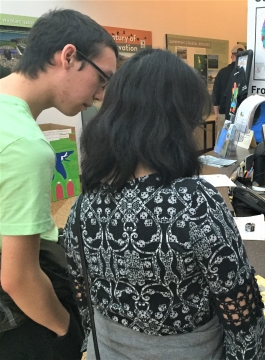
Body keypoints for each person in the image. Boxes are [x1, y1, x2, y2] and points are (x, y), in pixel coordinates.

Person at [63, 48, 265, 360]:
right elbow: (241, 313)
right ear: (176, 123)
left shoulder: (84, 206)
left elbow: (83, 296)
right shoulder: (196, 202)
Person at [0, 9, 118, 360]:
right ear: (68, 57)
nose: (99, 96)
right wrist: (66, 330)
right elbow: (18, 277)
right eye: (101, 79)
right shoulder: (24, 146)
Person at [212, 44, 245, 139]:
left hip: (223, 113)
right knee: (236, 146)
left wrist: (216, 114)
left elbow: (216, 95)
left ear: (232, 55)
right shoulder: (244, 73)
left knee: (221, 146)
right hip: (240, 116)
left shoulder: (222, 72)